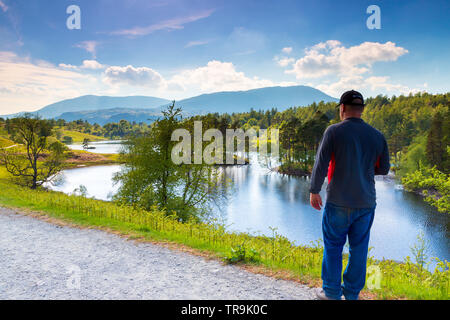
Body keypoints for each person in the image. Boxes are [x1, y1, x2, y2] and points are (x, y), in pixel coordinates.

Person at [309, 90, 390, 300]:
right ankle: (352, 294)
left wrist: (314, 190)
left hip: (338, 201)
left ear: (342, 109)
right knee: (359, 249)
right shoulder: (377, 136)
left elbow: (321, 164)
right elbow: (384, 169)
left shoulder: (334, 131)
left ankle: (332, 292)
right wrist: (363, 167)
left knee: (333, 247)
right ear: (361, 110)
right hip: (366, 203)